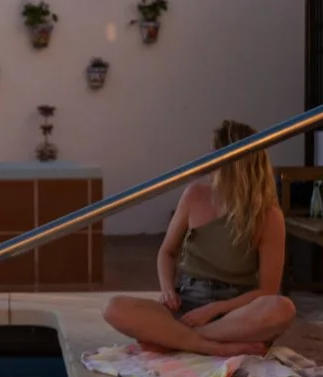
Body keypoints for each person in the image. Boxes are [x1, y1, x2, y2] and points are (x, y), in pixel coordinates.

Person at [102, 119, 296, 356]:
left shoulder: (268, 215)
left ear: (233, 162)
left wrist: (215, 309)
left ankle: (177, 339)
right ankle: (210, 346)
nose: (207, 158)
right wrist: (167, 290)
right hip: (188, 301)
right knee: (115, 308)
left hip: (235, 311)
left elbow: (267, 291)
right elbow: (167, 252)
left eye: (214, 153)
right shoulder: (194, 195)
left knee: (282, 308)